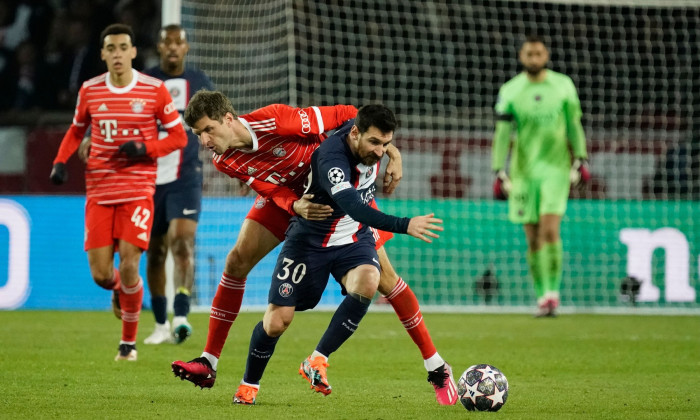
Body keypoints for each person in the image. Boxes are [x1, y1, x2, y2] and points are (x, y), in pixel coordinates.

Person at [171, 90, 458, 405]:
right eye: (199, 134)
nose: (204, 140)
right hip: (296, 203)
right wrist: (295, 205)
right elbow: (269, 188)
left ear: (228, 118)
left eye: (208, 130)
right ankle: (208, 361)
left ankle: (436, 366)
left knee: (384, 280)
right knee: (236, 261)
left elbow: (349, 114)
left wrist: (393, 153)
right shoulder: (224, 159)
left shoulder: (276, 119)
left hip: (338, 198)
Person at [233, 104, 443, 405]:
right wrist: (405, 224)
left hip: (352, 239)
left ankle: (317, 359)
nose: (379, 151)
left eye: (386, 144)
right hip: (310, 240)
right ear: (354, 134)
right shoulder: (332, 159)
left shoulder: (364, 135)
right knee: (277, 321)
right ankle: (248, 384)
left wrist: (395, 154)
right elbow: (356, 207)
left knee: (370, 280)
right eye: (375, 143)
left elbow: (373, 141)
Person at [49, 23, 187, 361]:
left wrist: (144, 147)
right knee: (101, 275)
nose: (117, 54)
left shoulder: (153, 90)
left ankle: (128, 344)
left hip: (138, 189)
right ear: (103, 54)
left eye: (123, 47)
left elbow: (179, 137)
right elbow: (75, 129)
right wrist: (60, 161)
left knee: (130, 265)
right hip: (99, 189)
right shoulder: (90, 90)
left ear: (133, 52)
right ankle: (120, 293)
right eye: (111, 48)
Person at [491, 35, 590, 317]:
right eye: (529, 54)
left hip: (556, 169)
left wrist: (581, 156)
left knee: (549, 229)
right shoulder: (511, 90)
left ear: (546, 55)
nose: (534, 58)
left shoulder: (563, 85)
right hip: (523, 172)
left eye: (538, 54)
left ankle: (552, 293)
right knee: (532, 237)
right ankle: (541, 296)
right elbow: (502, 133)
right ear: (522, 57)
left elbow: (573, 123)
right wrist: (498, 168)